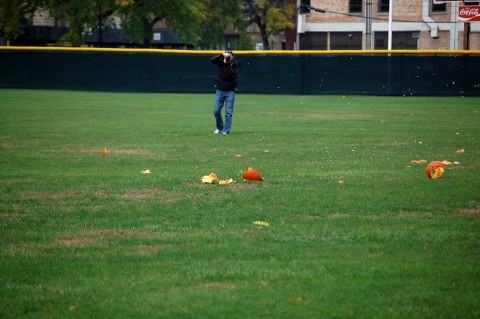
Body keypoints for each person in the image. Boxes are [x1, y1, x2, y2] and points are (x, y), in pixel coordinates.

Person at [210, 50, 240, 135]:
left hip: (230, 91)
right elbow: (212, 60)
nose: (227, 57)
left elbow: (232, 74)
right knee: (216, 111)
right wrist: (221, 55)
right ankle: (220, 127)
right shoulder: (221, 62)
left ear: (232, 57)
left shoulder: (235, 64)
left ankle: (226, 131)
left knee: (228, 112)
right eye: (227, 55)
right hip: (220, 90)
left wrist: (229, 62)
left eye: (229, 55)